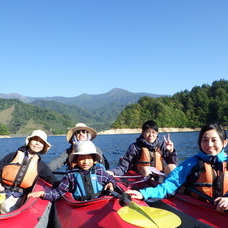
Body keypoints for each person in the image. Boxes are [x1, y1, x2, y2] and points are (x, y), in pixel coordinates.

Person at [126, 122, 228, 213]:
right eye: (205, 140)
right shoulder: (191, 164)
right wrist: (143, 193)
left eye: (214, 140)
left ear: (224, 143)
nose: (209, 145)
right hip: (200, 210)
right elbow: (168, 186)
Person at [28, 141, 116, 202]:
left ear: (94, 160)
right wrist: (43, 193)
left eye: (89, 158)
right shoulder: (71, 175)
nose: (86, 162)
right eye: (81, 158)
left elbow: (110, 178)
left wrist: (111, 183)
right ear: (76, 160)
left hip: (99, 202)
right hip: (79, 205)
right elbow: (59, 192)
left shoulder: (99, 170)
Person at [0, 130, 57, 214]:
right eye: (35, 140)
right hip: (2, 189)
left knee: (7, 208)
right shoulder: (12, 156)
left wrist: (68, 186)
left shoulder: (40, 165)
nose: (38, 143)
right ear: (29, 141)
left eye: (41, 142)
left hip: (18, 196)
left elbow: (53, 180)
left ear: (43, 146)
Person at [107, 120, 178, 179]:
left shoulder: (162, 145)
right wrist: (113, 172)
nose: (151, 135)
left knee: (172, 167)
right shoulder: (135, 147)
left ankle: (174, 188)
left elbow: (173, 163)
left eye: (153, 132)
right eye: (147, 132)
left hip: (159, 174)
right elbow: (124, 166)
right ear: (143, 133)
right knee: (146, 169)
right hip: (142, 176)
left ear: (157, 134)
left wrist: (171, 151)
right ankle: (152, 186)